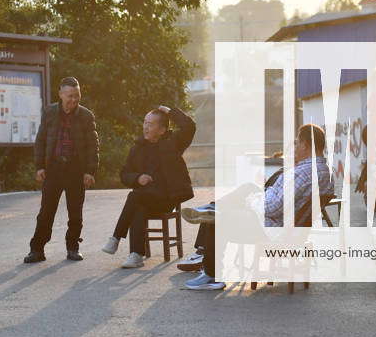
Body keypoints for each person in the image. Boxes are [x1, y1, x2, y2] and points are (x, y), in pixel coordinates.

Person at [183, 123, 333, 290]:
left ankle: (211, 275)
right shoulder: (324, 171)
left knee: (217, 219)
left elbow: (273, 208)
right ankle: (209, 211)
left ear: (305, 145)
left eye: (297, 142)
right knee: (246, 190)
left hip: (272, 227)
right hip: (289, 227)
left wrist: (253, 201)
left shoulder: (302, 172)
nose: (295, 146)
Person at [101, 105, 196, 268]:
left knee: (135, 197)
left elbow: (190, 126)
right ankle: (136, 255)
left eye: (150, 124)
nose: (145, 127)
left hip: (167, 198)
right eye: (145, 123)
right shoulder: (137, 148)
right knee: (138, 204)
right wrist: (137, 178)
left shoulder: (173, 143)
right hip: (145, 198)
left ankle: (116, 238)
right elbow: (124, 174)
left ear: (162, 129)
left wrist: (169, 111)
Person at [25, 77, 99, 263]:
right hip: (54, 168)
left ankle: (73, 247)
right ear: (61, 94)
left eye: (77, 96)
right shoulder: (49, 112)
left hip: (76, 168)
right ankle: (37, 250)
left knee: (75, 212)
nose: (73, 100)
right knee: (46, 212)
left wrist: (90, 171)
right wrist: (39, 166)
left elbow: (93, 145)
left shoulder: (86, 115)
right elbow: (40, 141)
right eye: (70, 96)